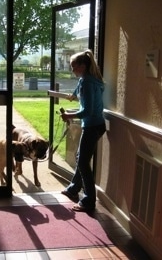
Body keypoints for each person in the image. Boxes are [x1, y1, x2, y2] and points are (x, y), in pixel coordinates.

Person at [60, 49, 106, 212]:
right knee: (81, 158)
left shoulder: (87, 82)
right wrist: (73, 95)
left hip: (92, 126)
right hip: (98, 125)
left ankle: (88, 201)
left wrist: (68, 115)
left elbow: (87, 111)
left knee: (83, 163)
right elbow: (79, 87)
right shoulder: (91, 79)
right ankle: (73, 188)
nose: (72, 69)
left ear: (83, 66)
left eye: (74, 66)